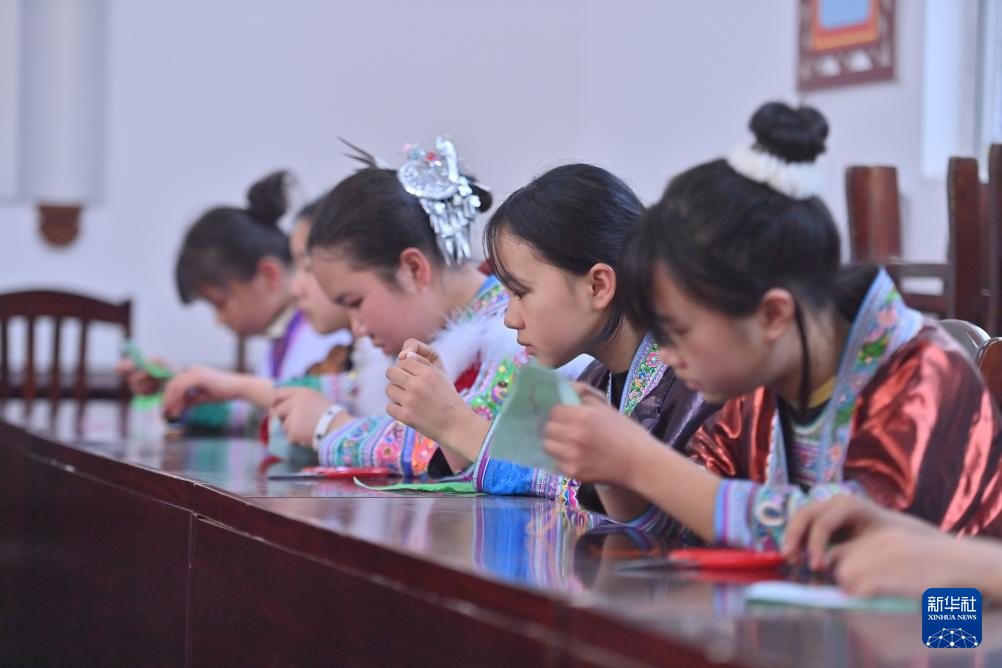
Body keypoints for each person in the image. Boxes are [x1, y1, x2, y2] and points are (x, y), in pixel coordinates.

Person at [542, 102, 1002, 550]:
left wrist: (641, 461)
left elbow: (850, 540)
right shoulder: (760, 390)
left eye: (678, 331)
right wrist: (613, 469)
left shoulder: (925, 373)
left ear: (773, 315)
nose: (664, 354)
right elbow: (686, 524)